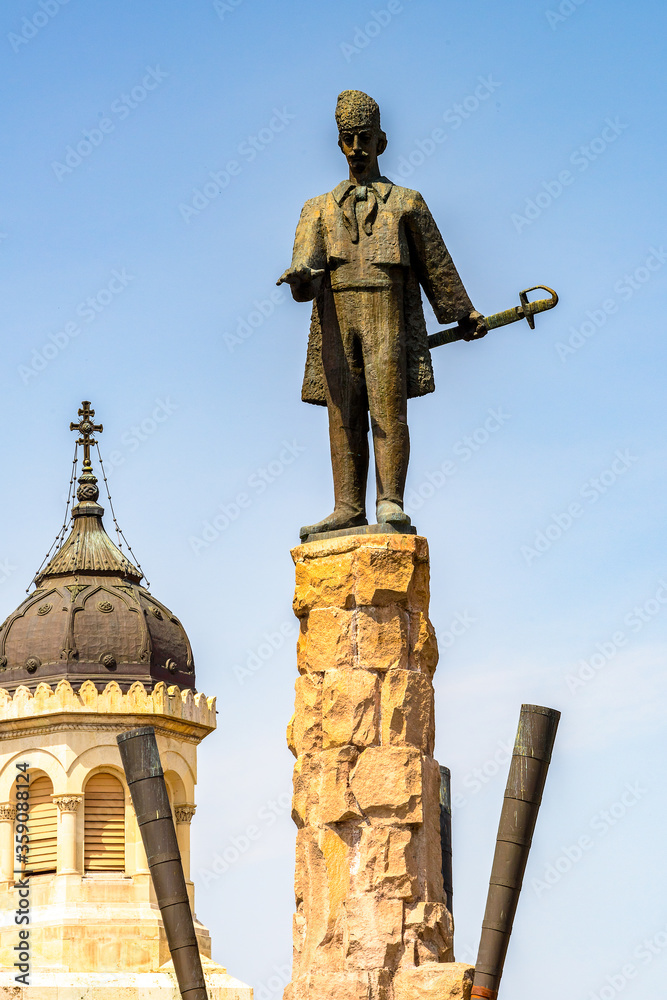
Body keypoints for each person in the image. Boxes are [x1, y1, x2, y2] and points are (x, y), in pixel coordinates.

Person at [278, 90, 486, 540]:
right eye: (348, 139)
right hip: (336, 317)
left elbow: (436, 264)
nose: (356, 147)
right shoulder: (315, 209)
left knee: (387, 409)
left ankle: (389, 501)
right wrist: (300, 280)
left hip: (386, 311)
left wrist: (462, 313)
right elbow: (305, 273)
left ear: (381, 142)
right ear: (338, 144)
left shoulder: (406, 202)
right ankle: (347, 505)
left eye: (364, 138)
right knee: (343, 412)